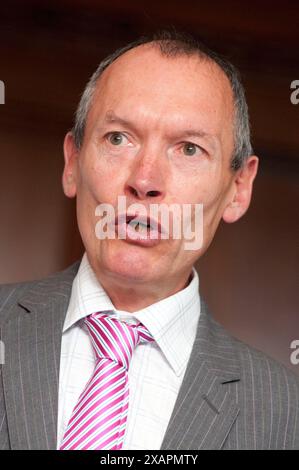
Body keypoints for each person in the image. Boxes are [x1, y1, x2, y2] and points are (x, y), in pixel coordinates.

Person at [0, 31, 298, 450]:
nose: (144, 181)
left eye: (189, 149)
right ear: (73, 162)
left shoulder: (285, 414)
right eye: (118, 138)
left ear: (239, 188)